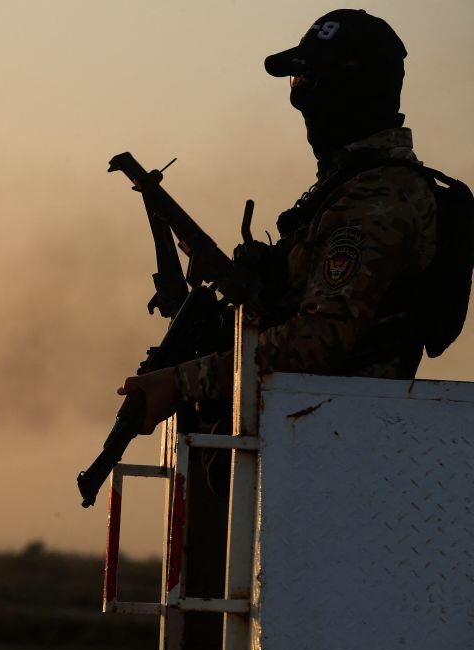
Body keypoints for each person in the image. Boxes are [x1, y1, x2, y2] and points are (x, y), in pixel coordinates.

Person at [119, 9, 437, 430]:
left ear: (354, 90)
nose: (298, 99)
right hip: (308, 430)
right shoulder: (347, 190)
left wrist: (184, 382)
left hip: (338, 436)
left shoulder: (377, 199)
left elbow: (319, 339)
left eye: (310, 83)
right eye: (296, 83)